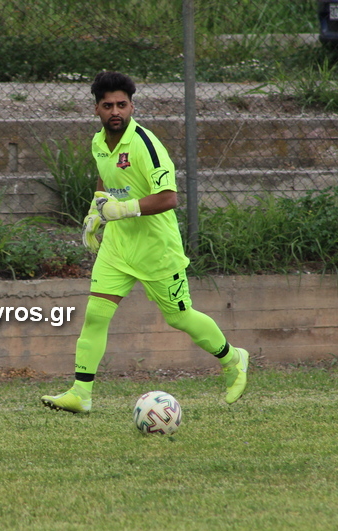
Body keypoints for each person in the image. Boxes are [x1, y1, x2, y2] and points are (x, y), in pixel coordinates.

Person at [41, 71, 249, 414]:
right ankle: (81, 394)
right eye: (108, 105)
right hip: (118, 248)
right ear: (96, 109)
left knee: (180, 317)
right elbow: (105, 177)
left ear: (132, 107)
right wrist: (95, 209)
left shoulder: (146, 145)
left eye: (122, 104)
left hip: (156, 250)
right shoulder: (98, 143)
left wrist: (121, 209)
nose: (115, 111)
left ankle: (233, 359)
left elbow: (168, 198)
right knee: (95, 315)